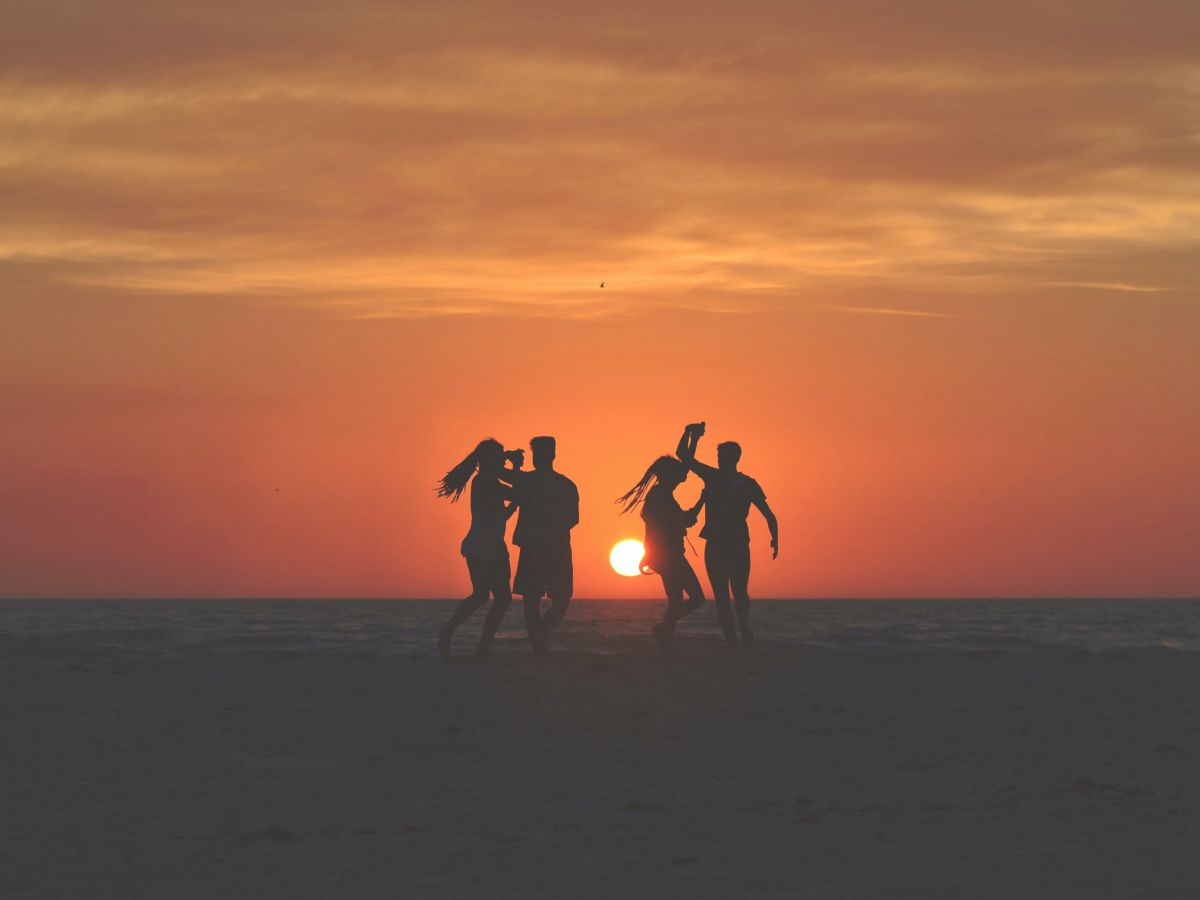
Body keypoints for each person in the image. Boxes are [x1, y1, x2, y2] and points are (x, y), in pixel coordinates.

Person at [676, 422, 778, 648]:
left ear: (736, 458)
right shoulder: (711, 476)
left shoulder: (748, 484)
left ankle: (743, 623)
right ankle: (732, 642)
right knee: (721, 596)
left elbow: (769, 515)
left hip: (738, 544)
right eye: (719, 455)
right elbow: (683, 455)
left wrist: (775, 538)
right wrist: (690, 433)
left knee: (740, 591)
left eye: (725, 456)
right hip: (715, 544)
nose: (721, 459)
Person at [434, 438, 520, 657]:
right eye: (498, 456)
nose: (502, 460)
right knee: (486, 595)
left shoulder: (488, 480)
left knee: (495, 597)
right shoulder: (483, 481)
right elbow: (514, 493)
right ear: (488, 460)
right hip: (482, 547)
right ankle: (458, 634)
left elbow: (503, 514)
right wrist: (516, 467)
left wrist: (513, 502)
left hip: (490, 546)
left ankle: (479, 643)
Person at [616, 455, 706, 653]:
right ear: (669, 476)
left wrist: (692, 437)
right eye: (675, 475)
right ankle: (662, 630)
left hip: (664, 555)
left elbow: (684, 469)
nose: (680, 478)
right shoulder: (661, 496)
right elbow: (683, 520)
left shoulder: (661, 493)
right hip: (669, 555)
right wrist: (702, 501)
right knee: (697, 598)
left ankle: (665, 641)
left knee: (676, 602)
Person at [503, 436, 579, 655]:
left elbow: (574, 518)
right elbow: (573, 519)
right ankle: (539, 643)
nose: (538, 458)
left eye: (540, 454)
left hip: (546, 548)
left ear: (552, 455)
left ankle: (539, 639)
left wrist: (510, 462)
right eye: (536, 454)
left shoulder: (561, 484)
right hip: (547, 547)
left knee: (552, 599)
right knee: (536, 599)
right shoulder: (551, 483)